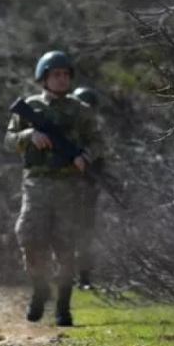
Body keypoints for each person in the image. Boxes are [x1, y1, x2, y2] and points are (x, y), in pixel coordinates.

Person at [4, 51, 103, 327]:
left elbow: (98, 141)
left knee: (65, 246)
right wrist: (29, 136)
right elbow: (9, 140)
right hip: (36, 183)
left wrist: (85, 156)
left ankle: (63, 306)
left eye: (65, 74)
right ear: (44, 78)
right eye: (55, 74)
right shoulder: (31, 106)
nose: (61, 79)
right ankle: (39, 289)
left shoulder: (80, 111)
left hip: (69, 186)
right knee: (29, 237)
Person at [71, 86, 101, 290]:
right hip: (63, 190)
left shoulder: (94, 136)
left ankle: (83, 277)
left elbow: (100, 160)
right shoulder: (67, 132)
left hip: (86, 191)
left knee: (85, 235)